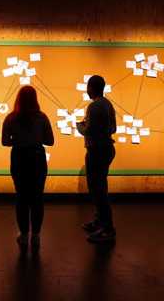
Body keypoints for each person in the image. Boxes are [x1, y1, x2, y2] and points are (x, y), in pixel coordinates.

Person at [2, 85, 54, 252]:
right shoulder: (42, 117)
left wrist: (18, 140)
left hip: (19, 158)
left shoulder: (10, 118)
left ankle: (24, 235)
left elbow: (4, 142)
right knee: (37, 197)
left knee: (22, 197)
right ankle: (36, 236)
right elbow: (50, 141)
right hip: (38, 158)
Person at [76, 75, 117, 243]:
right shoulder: (108, 105)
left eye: (88, 86)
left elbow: (89, 130)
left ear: (91, 88)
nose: (87, 90)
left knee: (97, 189)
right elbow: (113, 128)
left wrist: (79, 126)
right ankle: (100, 221)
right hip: (106, 149)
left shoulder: (94, 107)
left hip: (97, 151)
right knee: (100, 186)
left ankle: (107, 228)